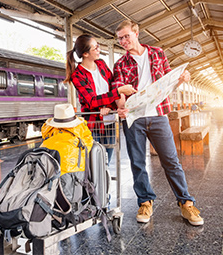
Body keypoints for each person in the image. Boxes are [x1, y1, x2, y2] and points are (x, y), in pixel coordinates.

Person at [112, 20, 204, 226]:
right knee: (137, 162)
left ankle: (186, 203)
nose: (124, 41)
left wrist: (181, 79)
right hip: (134, 118)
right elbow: (118, 89)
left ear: (136, 33)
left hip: (158, 115)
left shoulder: (157, 53)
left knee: (171, 161)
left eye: (126, 36)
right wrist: (121, 106)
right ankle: (145, 202)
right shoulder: (120, 64)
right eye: (120, 38)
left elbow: (168, 81)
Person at [65, 34, 135, 163]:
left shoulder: (101, 64)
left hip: (110, 121)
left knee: (107, 160)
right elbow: (92, 101)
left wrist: (109, 107)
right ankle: (95, 184)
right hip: (93, 124)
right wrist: (118, 92)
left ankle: (104, 183)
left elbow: (112, 85)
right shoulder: (78, 75)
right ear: (85, 54)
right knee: (95, 163)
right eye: (95, 48)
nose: (99, 50)